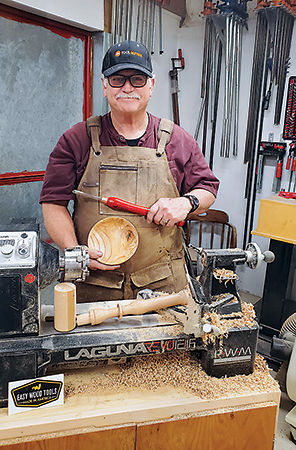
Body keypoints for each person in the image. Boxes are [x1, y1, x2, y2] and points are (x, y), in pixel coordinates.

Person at [40, 40, 219, 302]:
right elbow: (53, 203)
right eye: (117, 79)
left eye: (137, 79)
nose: (127, 88)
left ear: (151, 85)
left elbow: (208, 189)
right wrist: (74, 251)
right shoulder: (77, 140)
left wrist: (186, 202)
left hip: (164, 285)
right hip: (93, 284)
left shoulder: (177, 140)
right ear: (104, 86)